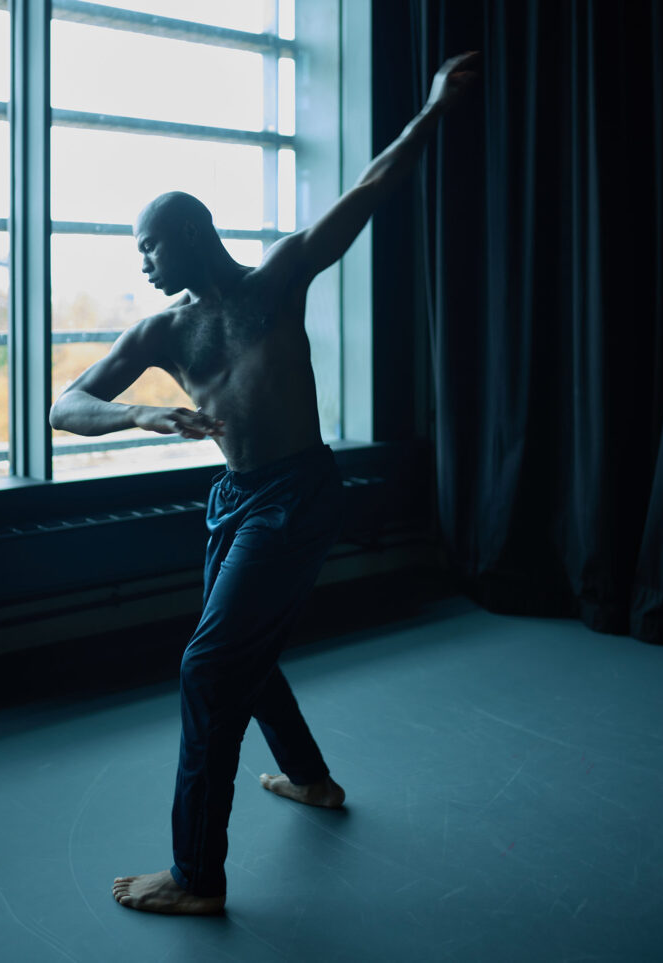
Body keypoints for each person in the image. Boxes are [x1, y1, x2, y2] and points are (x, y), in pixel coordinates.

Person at [49, 51, 479, 916]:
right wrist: (137, 419)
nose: (142, 263)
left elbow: (367, 189)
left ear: (192, 231)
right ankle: (312, 780)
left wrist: (432, 107)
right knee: (243, 648)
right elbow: (68, 404)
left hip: (299, 492)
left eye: (150, 245)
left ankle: (196, 877)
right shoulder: (162, 330)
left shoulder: (276, 282)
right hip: (235, 501)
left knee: (211, 667)